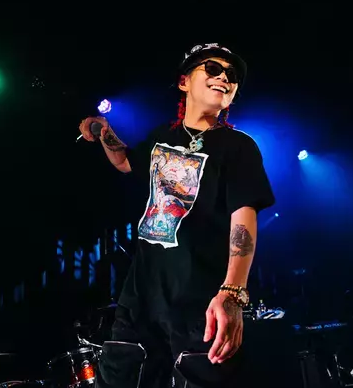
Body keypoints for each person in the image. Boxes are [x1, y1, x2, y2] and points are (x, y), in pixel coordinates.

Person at [79, 43, 275, 388]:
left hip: (199, 304)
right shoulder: (161, 137)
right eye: (212, 69)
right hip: (140, 300)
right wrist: (103, 132)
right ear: (184, 81)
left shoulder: (238, 146)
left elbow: (244, 217)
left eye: (231, 76)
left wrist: (233, 294)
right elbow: (125, 162)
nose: (224, 78)